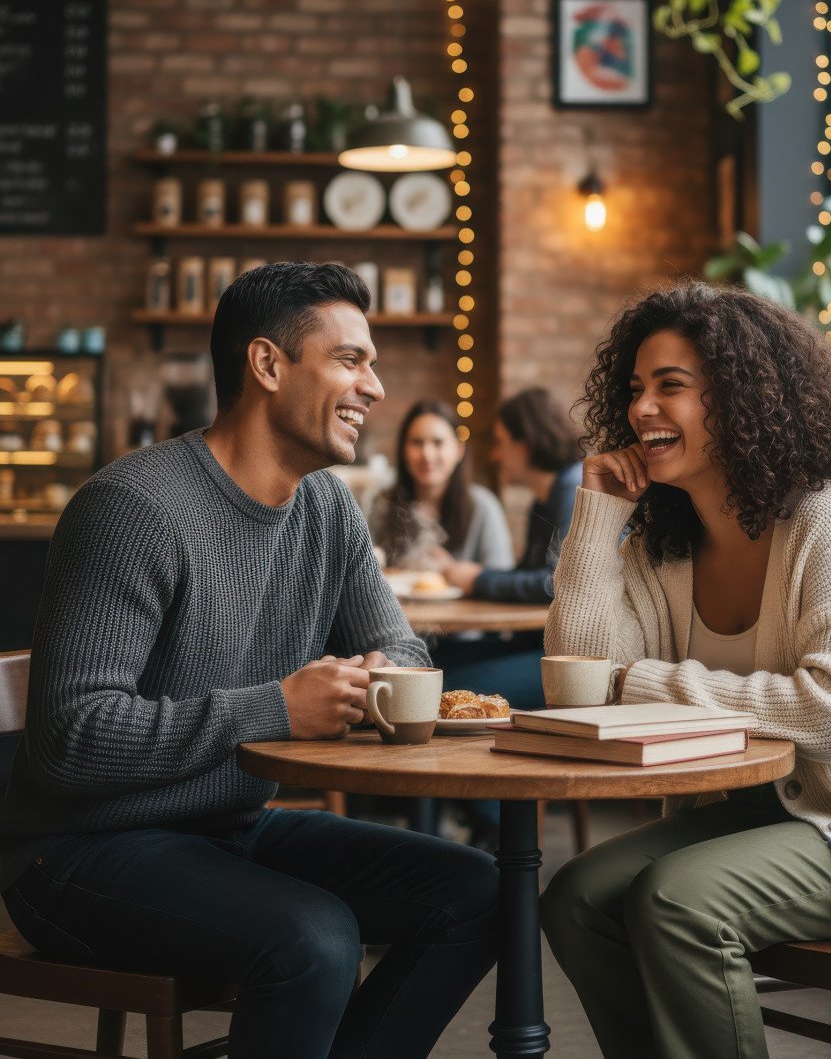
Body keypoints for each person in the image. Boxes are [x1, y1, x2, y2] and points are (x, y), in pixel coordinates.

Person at [0, 262, 498, 1059]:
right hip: (76, 852)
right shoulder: (134, 508)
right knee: (315, 939)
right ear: (267, 365)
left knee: (479, 890)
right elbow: (71, 737)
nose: (374, 385)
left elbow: (401, 646)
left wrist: (372, 683)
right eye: (350, 359)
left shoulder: (329, 507)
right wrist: (277, 708)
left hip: (226, 829)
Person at [540, 281, 831, 1059]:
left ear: (741, 399)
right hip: (762, 819)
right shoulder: (660, 545)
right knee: (574, 898)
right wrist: (596, 512)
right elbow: (580, 676)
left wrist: (647, 683)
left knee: (679, 903)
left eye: (672, 386)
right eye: (635, 389)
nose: (641, 409)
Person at [437, 387, 582, 710]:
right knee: (434, 659)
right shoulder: (543, 501)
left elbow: (555, 583)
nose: (495, 455)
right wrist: (473, 577)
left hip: (569, 657)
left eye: (500, 443)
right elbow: (527, 575)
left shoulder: (575, 491)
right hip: (535, 644)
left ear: (525, 443)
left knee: (452, 683)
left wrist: (477, 580)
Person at [368, 398, 514, 572]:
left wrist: (453, 570)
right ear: (403, 451)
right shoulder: (383, 503)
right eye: (417, 442)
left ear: (459, 450)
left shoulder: (483, 506)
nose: (427, 455)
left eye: (438, 443)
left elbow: (501, 575)